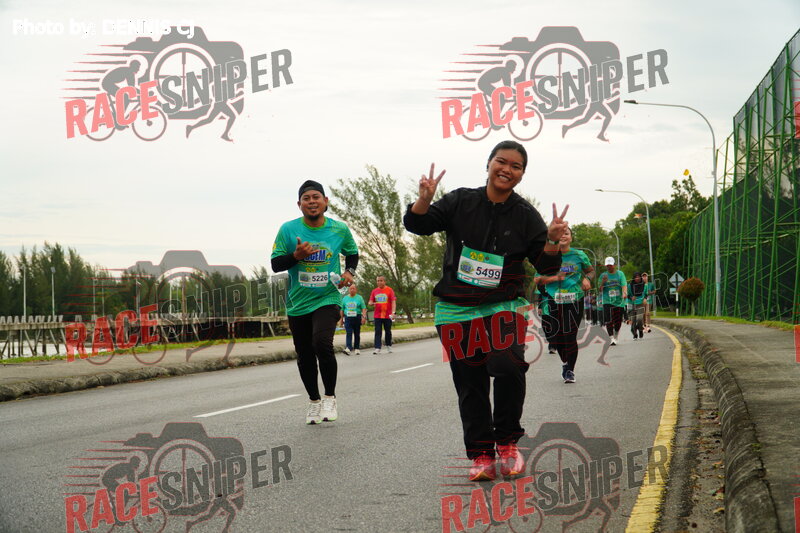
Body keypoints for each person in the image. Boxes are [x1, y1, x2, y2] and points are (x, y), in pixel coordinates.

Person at [403, 140, 566, 482]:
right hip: (456, 310)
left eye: (516, 166)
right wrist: (425, 199)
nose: (507, 169)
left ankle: (507, 443)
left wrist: (551, 240)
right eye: (501, 162)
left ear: (522, 174)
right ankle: (481, 455)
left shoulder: (525, 215)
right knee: (470, 382)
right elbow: (418, 224)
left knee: (508, 366)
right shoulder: (461, 201)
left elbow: (546, 265)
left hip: (503, 307)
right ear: (489, 164)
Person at [271, 180, 359, 425]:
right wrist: (296, 256)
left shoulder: (339, 229)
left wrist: (349, 271)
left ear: (325, 201)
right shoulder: (288, 230)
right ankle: (314, 401)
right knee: (304, 354)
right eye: (306, 198)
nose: (312, 201)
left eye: (316, 197)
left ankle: (329, 397)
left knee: (321, 343)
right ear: (299, 204)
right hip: (298, 302)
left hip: (327, 297)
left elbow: (352, 253)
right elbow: (276, 264)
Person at [537, 227, 594, 383]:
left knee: (570, 335)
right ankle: (565, 363)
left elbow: (590, 271)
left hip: (575, 300)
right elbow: (538, 279)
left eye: (566, 233)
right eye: (560, 234)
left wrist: (587, 278)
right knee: (558, 336)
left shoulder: (579, 255)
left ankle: (570, 370)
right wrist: (555, 278)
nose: (563, 236)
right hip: (554, 299)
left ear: (571, 238)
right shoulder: (547, 256)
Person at [598, 257, 627, 345]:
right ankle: (611, 338)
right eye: (607, 265)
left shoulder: (620, 274)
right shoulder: (603, 275)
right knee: (608, 320)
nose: (609, 267)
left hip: (619, 301)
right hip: (607, 300)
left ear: (614, 265)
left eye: (610, 265)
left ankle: (616, 333)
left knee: (618, 321)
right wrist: (603, 282)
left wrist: (624, 293)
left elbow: (624, 285)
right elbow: (600, 290)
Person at [369, 276, 396, 354]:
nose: (379, 282)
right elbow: (370, 301)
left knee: (388, 331)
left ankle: (388, 345)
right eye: (378, 281)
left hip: (388, 315)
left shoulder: (389, 290)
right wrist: (371, 303)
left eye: (381, 281)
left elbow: (393, 301)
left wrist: (393, 312)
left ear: (384, 281)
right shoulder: (374, 291)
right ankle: (377, 347)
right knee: (378, 331)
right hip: (377, 315)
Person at [339, 283, 367, 355]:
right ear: (348, 290)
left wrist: (364, 317)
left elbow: (363, 308)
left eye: (353, 288)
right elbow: (342, 309)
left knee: (357, 333)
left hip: (357, 317)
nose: (352, 290)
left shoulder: (359, 298)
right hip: (348, 318)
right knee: (348, 332)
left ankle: (357, 348)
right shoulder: (345, 298)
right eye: (350, 288)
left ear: (356, 290)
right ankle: (348, 348)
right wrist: (341, 319)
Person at [628, 272, 647, 340]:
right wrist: (631, 297)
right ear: (634, 278)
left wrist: (645, 298)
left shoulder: (644, 285)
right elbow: (627, 295)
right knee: (633, 321)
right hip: (631, 304)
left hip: (640, 303)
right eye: (636, 277)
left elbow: (646, 293)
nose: (637, 278)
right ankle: (635, 334)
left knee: (639, 319)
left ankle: (640, 329)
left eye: (638, 277)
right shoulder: (630, 285)